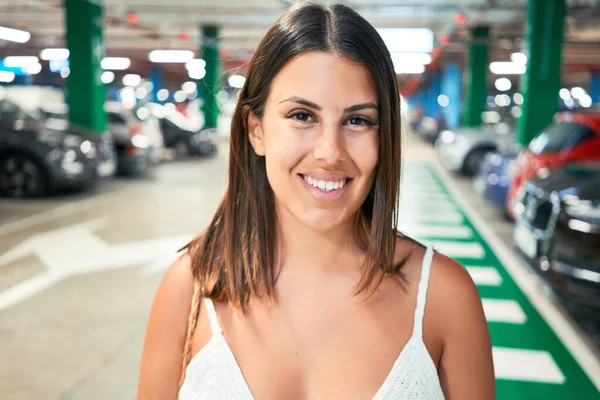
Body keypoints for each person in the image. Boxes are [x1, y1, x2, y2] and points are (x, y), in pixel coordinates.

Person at [137, 2, 495, 399]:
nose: (330, 151)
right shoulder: (189, 288)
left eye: (358, 120)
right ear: (256, 130)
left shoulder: (446, 297)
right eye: (302, 116)